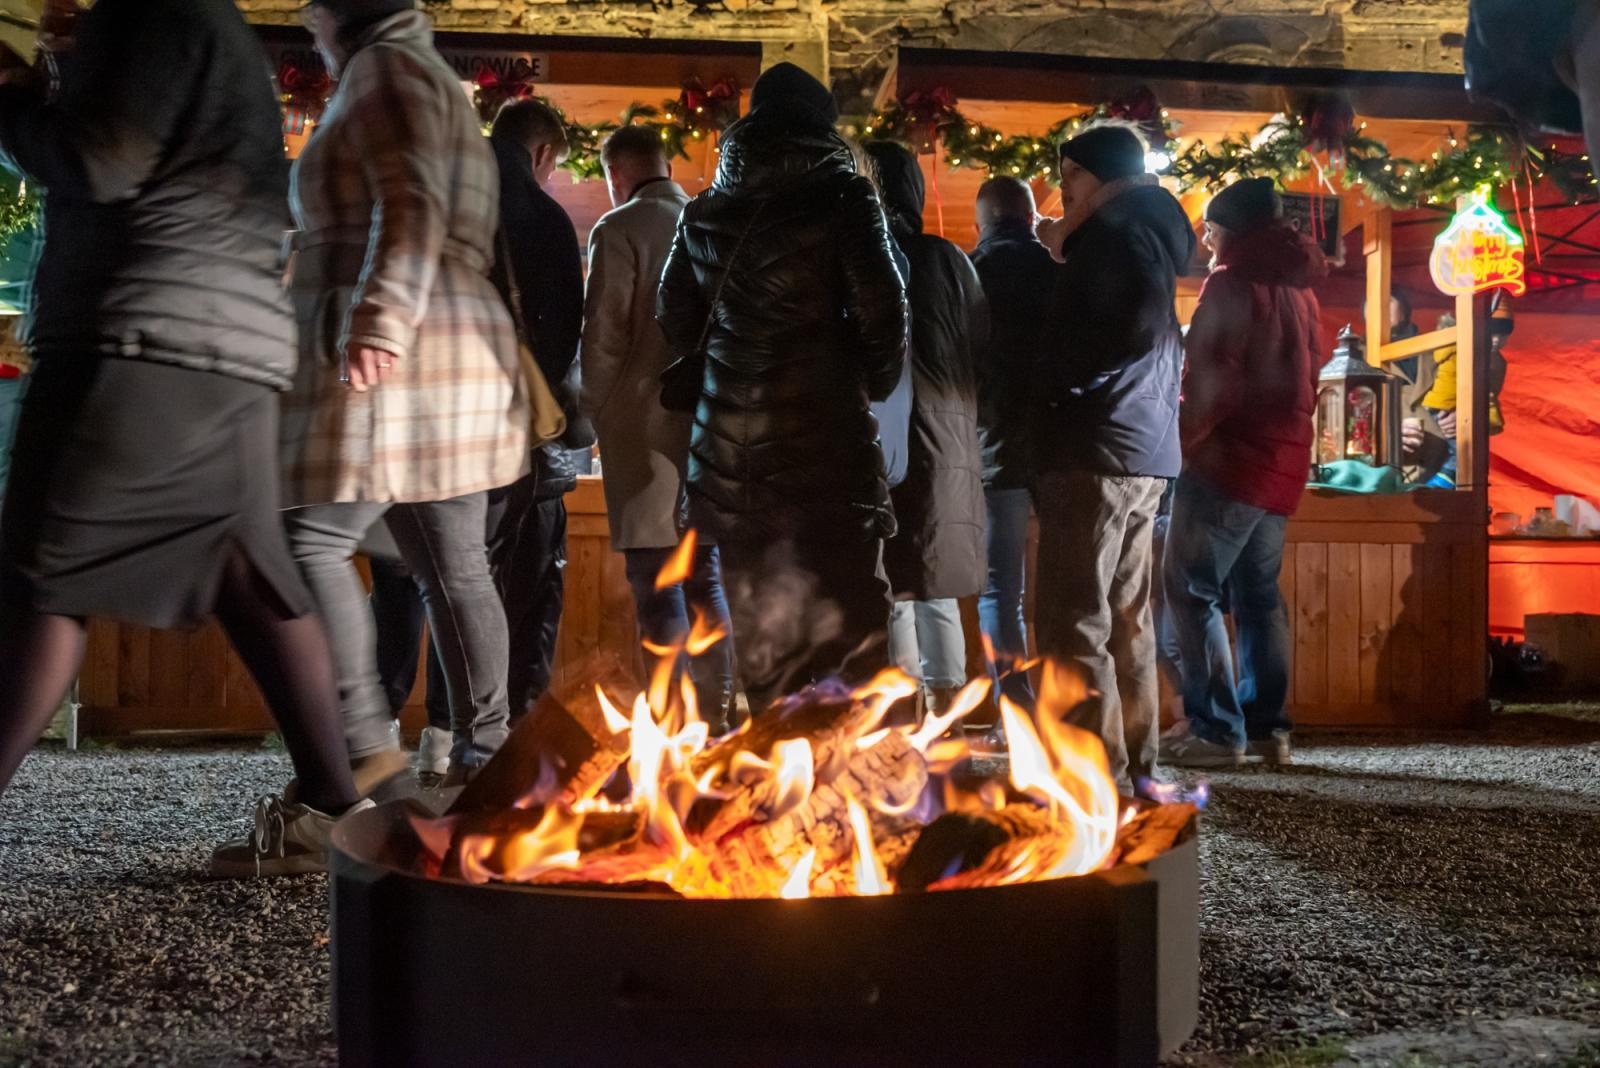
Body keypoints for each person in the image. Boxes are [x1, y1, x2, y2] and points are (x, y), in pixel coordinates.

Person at [0, 0, 363, 874]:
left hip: (142, 330)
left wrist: (11, 97)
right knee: (251, 575)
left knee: (40, 580)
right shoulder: (202, 23)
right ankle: (331, 809)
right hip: (228, 343)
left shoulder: (155, 12)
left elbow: (103, 158)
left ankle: (333, 807)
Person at [280, 0, 528, 788]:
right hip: (447, 352)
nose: (308, 28)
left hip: (403, 355)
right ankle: (487, 759)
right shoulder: (420, 73)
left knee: (309, 541)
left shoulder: (382, 69)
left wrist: (377, 323)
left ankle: (363, 748)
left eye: (313, 14)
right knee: (452, 563)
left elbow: (410, 199)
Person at [656, 62, 909, 714]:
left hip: (727, 456)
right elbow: (885, 312)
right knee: (849, 609)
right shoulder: (845, 198)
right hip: (825, 443)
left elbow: (674, 316)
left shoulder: (705, 208)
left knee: (760, 616)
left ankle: (777, 764)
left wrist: (731, 363)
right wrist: (865, 381)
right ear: (823, 128)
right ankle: (852, 779)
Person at [1030, 124, 1194, 794]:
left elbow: (1114, 336)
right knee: (1127, 618)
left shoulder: (1114, 237)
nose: (1062, 191)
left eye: (1069, 176)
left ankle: (1096, 781)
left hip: (1093, 448)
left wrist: (1051, 383)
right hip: (1145, 448)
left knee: (1076, 620)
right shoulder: (1146, 234)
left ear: (1098, 174)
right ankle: (1136, 769)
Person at [1159, 178, 1327, 769]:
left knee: (1190, 588)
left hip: (1229, 464)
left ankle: (1214, 729)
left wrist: (1173, 449)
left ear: (1229, 229)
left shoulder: (1230, 284)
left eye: (1209, 227)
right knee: (1259, 599)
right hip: (1282, 466)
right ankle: (1266, 731)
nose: (1204, 238)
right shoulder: (1300, 292)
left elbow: (1209, 382)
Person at [581, 124, 736, 730]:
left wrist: (586, 413)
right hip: (712, 428)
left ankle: (673, 725)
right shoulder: (712, 223)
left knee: (654, 579)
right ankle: (718, 717)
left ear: (615, 174)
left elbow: (605, 336)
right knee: (705, 576)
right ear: (666, 165)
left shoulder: (618, 229)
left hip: (642, 426)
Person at [863, 140, 988, 720]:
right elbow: (983, 345)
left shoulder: (878, 255)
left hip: (893, 436)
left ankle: (901, 720)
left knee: (891, 586)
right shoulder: (955, 260)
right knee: (935, 586)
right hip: (955, 440)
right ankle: (949, 719)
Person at [486, 98, 588, 722]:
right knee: (532, 578)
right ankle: (519, 721)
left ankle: (454, 726)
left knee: (459, 578)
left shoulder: (451, 194)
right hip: (522, 431)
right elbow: (566, 330)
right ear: (544, 153)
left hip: (450, 423)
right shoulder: (545, 217)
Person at [969, 176, 1056, 714]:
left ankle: (1016, 710)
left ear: (982, 221)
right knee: (1068, 590)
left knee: (1001, 589)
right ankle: (1070, 710)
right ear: (1029, 216)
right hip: (1060, 447)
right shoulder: (1058, 270)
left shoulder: (974, 273)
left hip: (995, 444)